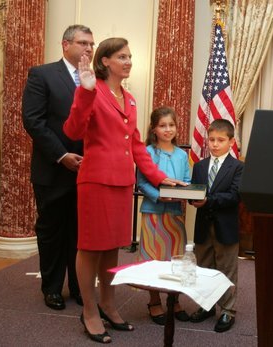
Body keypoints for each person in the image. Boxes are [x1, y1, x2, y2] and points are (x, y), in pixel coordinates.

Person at [63, 37, 185, 344]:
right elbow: (73, 131)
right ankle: (90, 311)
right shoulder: (92, 90)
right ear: (105, 61)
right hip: (95, 181)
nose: (128, 61)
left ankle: (108, 303)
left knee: (112, 247)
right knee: (91, 246)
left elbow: (136, 146)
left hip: (122, 183)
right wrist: (85, 92)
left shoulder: (129, 99)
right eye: (122, 56)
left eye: (130, 56)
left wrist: (159, 177)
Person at [22, 24, 94, 311]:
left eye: (91, 43)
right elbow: (33, 121)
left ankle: (79, 287)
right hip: (52, 170)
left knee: (79, 233)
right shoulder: (42, 74)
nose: (89, 48)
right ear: (65, 45)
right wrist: (62, 155)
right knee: (52, 231)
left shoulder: (95, 80)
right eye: (83, 42)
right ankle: (52, 288)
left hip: (87, 171)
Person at [136, 106, 191, 325]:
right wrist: (159, 196)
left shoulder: (181, 154)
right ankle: (154, 301)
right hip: (153, 213)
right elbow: (141, 182)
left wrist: (185, 193)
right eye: (162, 125)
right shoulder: (147, 153)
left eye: (171, 125)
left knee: (175, 259)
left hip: (175, 216)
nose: (168, 129)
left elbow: (186, 181)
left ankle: (174, 300)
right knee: (153, 259)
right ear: (154, 129)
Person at [188, 119, 244, 333]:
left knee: (226, 269)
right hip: (203, 226)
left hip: (225, 227)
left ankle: (228, 310)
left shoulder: (237, 167)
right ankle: (206, 305)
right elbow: (196, 191)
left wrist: (208, 201)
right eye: (211, 139)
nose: (214, 144)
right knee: (204, 268)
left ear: (231, 142)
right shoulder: (200, 166)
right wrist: (189, 196)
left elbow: (234, 196)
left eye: (220, 140)